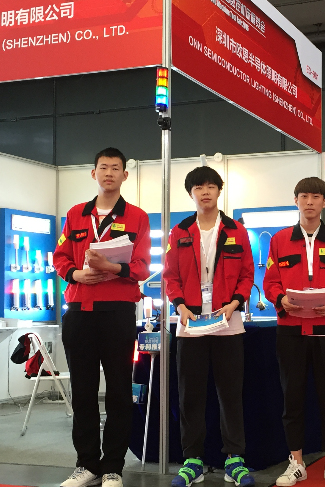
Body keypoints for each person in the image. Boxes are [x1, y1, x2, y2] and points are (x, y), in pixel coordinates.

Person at [53, 147, 151, 487]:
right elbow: (60, 256)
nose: (109, 173)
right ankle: (87, 465)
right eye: (103, 167)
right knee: (82, 393)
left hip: (117, 313)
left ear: (125, 175)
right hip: (79, 312)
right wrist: (75, 275)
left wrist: (112, 267)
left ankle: (113, 468)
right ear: (93, 173)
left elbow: (142, 266)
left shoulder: (137, 217)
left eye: (115, 168)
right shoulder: (76, 214)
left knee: (119, 392)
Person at [162, 166, 256, 487]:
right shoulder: (179, 232)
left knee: (230, 394)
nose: (205, 192)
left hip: (228, 323)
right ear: (191, 194)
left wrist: (235, 303)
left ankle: (234, 459)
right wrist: (180, 306)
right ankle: (193, 461)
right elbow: (170, 275)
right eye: (198, 187)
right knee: (190, 395)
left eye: (210, 186)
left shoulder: (236, 231)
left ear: (219, 190)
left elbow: (247, 274)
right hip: (190, 324)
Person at [263, 177, 325, 487]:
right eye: (304, 196)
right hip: (290, 330)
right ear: (296, 200)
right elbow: (271, 280)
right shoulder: (279, 240)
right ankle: (296, 462)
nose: (310, 202)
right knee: (293, 397)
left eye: (316, 197)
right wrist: (280, 299)